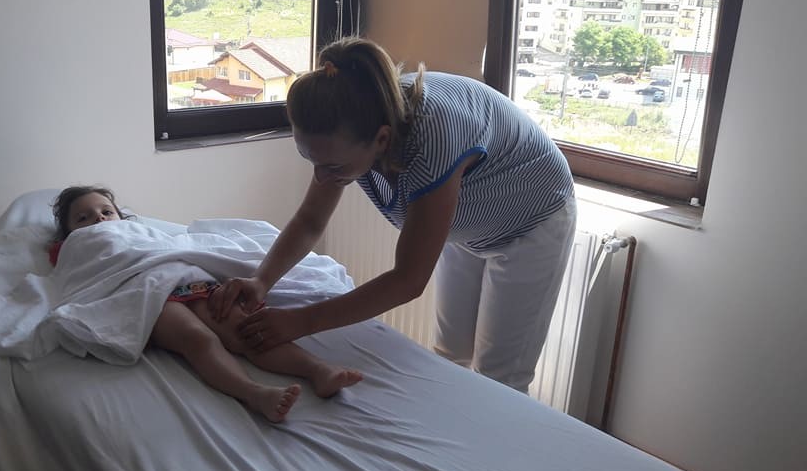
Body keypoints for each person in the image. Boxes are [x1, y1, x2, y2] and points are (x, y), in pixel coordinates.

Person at [210, 37, 576, 394]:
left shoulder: (433, 140)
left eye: (333, 166)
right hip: (470, 222)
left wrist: (302, 321)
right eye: (311, 160)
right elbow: (310, 219)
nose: (321, 177)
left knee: (501, 378)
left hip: (533, 220)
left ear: (382, 140)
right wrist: (261, 280)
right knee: (451, 353)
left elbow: (408, 280)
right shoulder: (356, 116)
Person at [50, 186, 363, 422]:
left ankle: (318, 369)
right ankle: (255, 394)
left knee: (246, 328)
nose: (99, 219)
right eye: (83, 218)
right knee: (197, 338)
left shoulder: (140, 231)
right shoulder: (74, 246)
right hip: (146, 293)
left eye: (106, 211)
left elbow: (172, 247)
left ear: (121, 216)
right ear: (68, 234)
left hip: (187, 279)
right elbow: (75, 272)